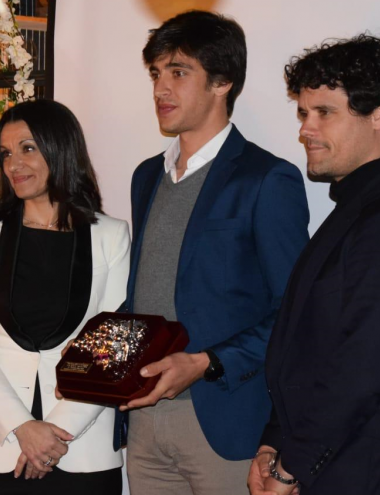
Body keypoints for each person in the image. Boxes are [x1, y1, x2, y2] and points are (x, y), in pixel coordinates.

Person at [120, 10, 310, 495]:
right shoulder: (146, 176)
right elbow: (151, 292)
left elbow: (295, 312)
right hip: (144, 421)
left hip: (226, 425)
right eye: (156, 74)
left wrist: (207, 362)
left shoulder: (267, 179)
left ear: (223, 81)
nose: (162, 88)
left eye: (179, 72)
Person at [248, 34, 380, 495]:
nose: (305, 129)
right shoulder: (354, 213)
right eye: (303, 112)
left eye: (324, 113)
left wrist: (290, 466)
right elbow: (304, 347)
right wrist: (273, 442)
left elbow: (360, 369)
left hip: (370, 474)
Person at [0, 99, 130, 495]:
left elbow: (112, 346)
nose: (14, 164)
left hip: (81, 451)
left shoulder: (111, 236)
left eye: (28, 148)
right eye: (6, 153)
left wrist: (55, 434)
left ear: (60, 147)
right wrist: (23, 426)